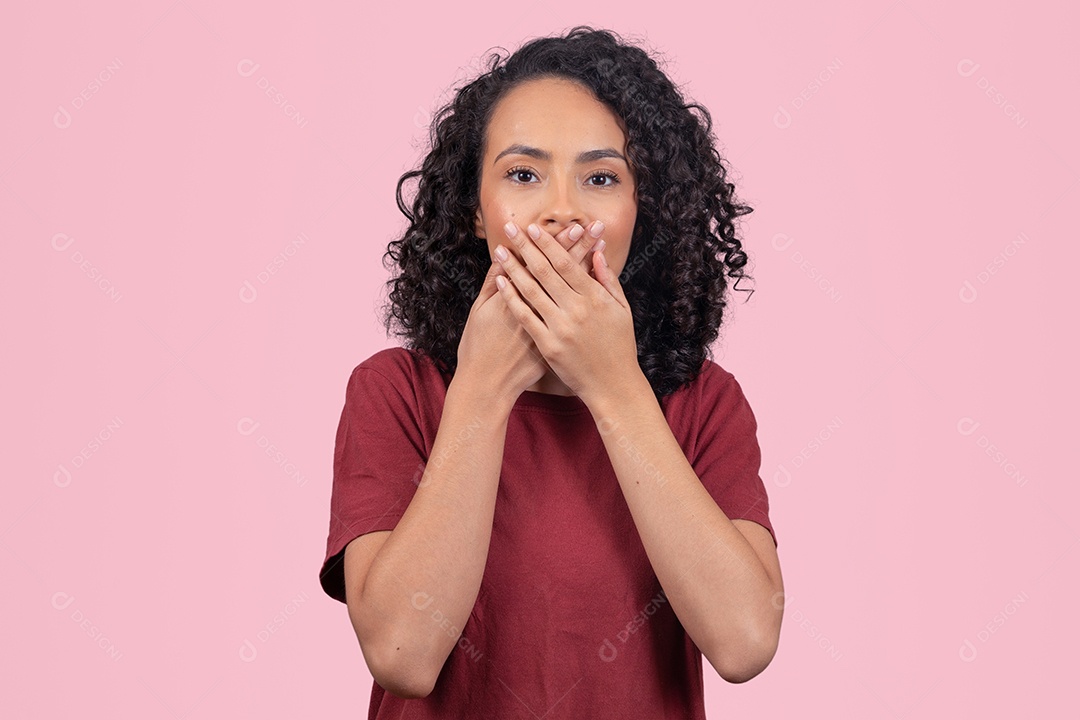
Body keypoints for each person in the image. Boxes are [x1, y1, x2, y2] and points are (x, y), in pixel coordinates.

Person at [318, 25, 784, 719]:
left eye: (601, 178)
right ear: (477, 212)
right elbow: (403, 655)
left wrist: (612, 383)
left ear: (639, 212)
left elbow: (745, 641)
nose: (562, 210)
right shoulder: (394, 393)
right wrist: (482, 386)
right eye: (523, 174)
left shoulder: (703, 405)